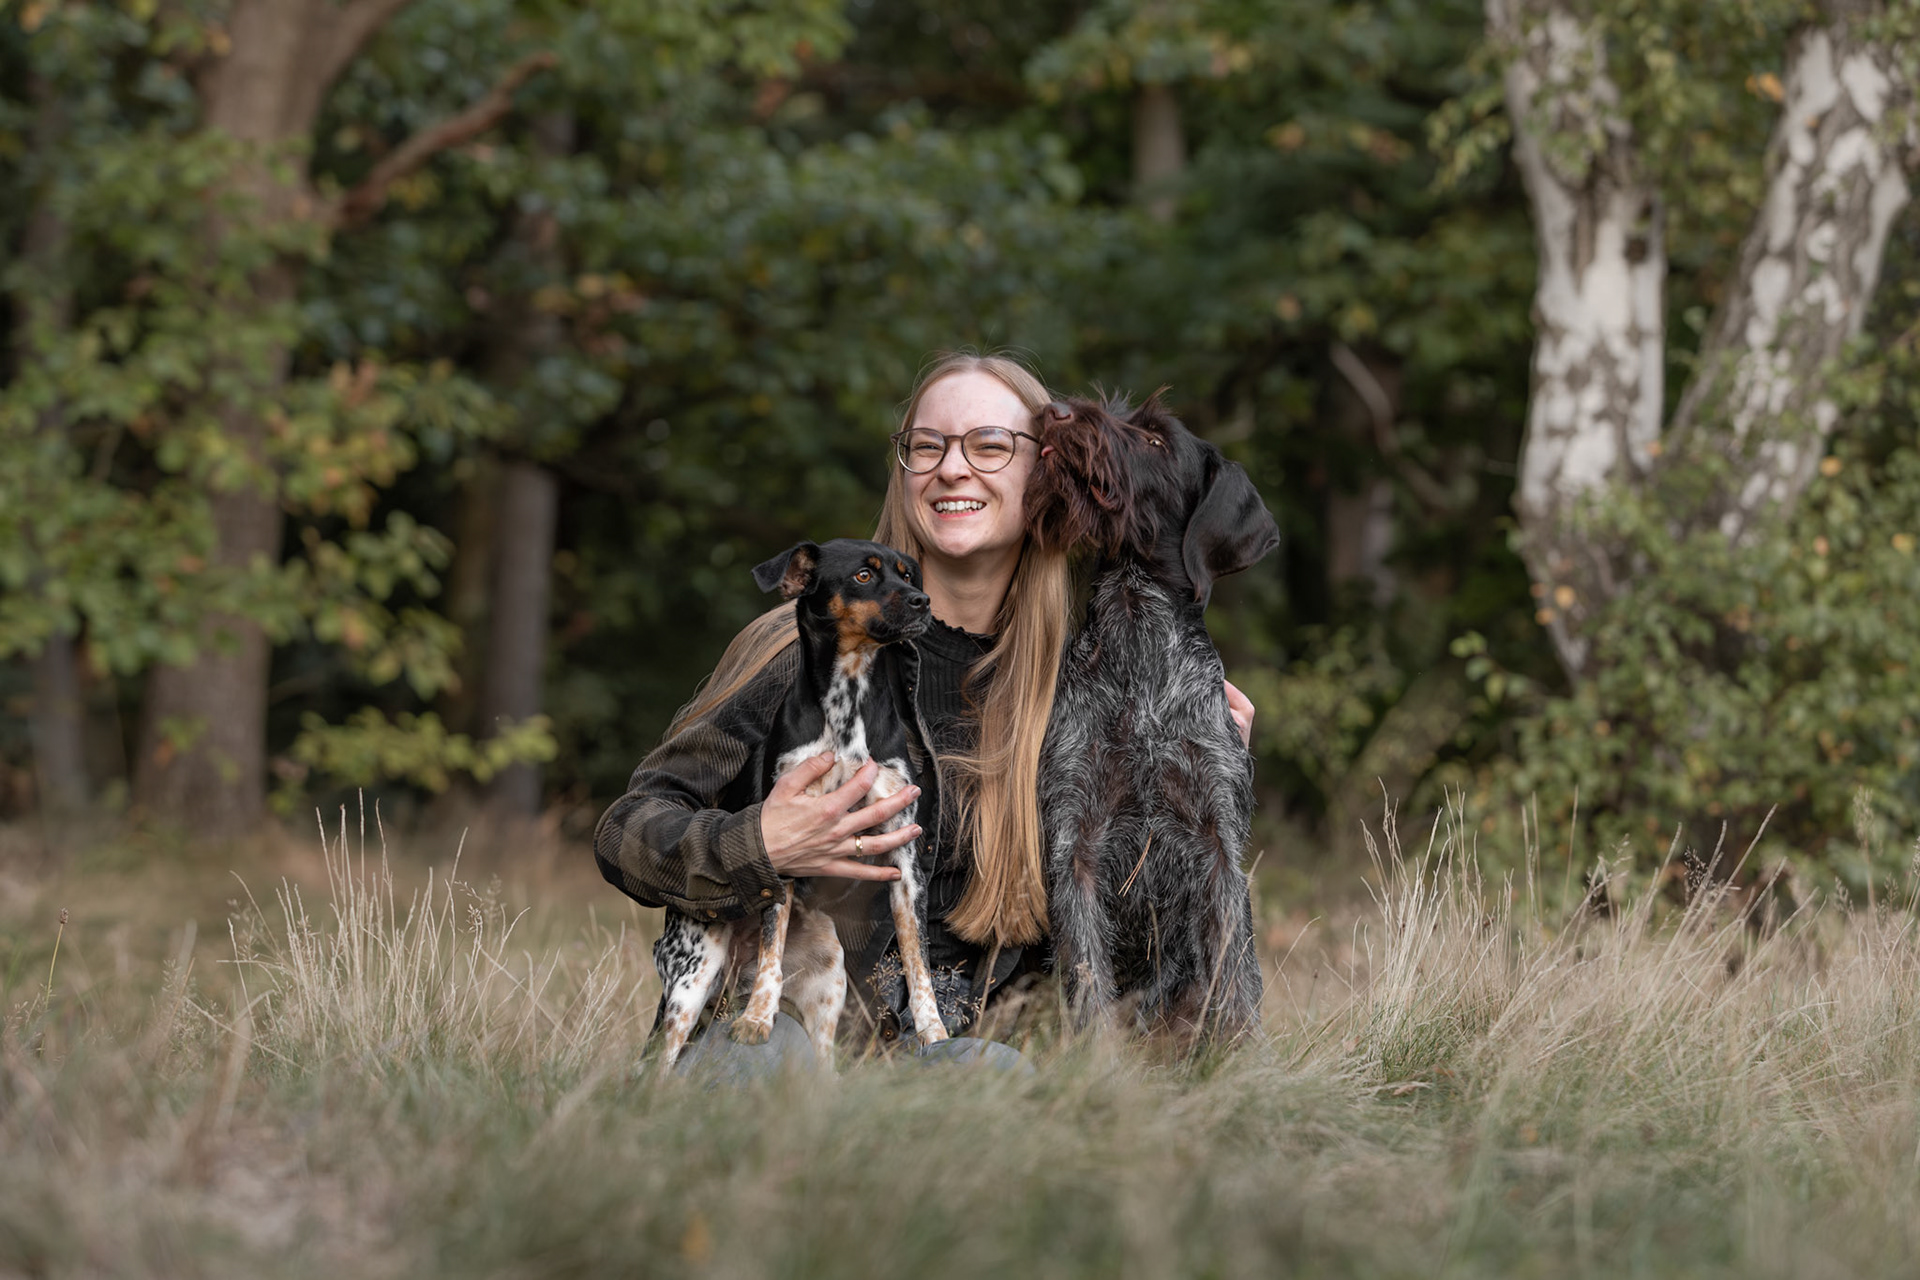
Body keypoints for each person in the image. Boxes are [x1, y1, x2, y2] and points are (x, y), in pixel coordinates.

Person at [591, 352, 1256, 1071]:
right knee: (761, 1069)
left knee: (997, 1080)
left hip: (951, 1057)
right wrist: (759, 844)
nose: (951, 469)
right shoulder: (804, 647)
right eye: (926, 446)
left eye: (990, 446)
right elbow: (625, 831)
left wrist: (1176, 798)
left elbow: (1129, 933)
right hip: (781, 1027)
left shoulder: (1078, 685)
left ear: (1048, 466)